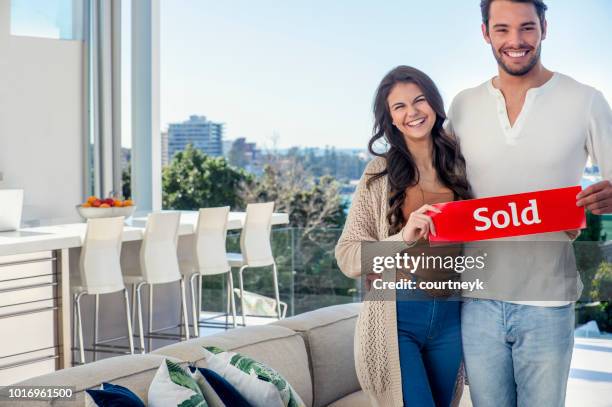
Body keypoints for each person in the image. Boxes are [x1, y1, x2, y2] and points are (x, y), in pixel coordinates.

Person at [446, 1, 612, 406]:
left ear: (544, 28)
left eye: (527, 28)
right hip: (478, 299)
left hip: (547, 300)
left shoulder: (586, 100)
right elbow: (438, 188)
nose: (516, 41)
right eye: (502, 29)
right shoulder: (463, 105)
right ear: (485, 33)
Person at [335, 65, 472, 407]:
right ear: (391, 119)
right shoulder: (379, 174)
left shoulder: (462, 165)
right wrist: (402, 237)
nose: (412, 112)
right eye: (400, 107)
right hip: (398, 316)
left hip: (452, 316)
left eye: (419, 100)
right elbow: (348, 256)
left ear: (435, 105)